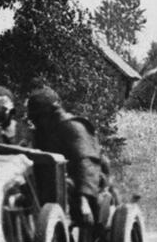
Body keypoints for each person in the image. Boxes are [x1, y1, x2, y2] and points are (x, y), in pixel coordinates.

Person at [26, 87, 110, 233]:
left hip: (83, 180)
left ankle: (69, 228)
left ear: (51, 112)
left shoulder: (73, 127)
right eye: (33, 118)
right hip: (52, 177)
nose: (36, 121)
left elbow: (86, 163)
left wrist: (84, 201)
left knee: (61, 183)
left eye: (39, 117)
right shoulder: (41, 130)